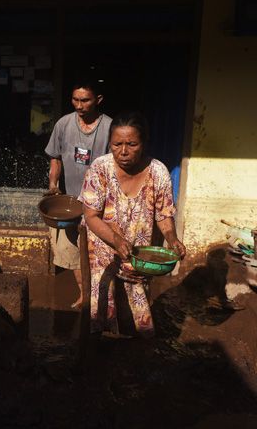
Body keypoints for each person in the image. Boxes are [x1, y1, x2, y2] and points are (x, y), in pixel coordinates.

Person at [79, 111, 186, 338]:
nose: (124, 151)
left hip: (137, 256)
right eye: (117, 144)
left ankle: (134, 351)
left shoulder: (158, 172)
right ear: (110, 143)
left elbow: (164, 214)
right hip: (103, 252)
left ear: (144, 143)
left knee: (137, 314)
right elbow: (91, 216)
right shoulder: (100, 169)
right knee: (102, 308)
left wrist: (172, 238)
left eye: (132, 144)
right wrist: (116, 240)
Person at [44, 82, 113, 309]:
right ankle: (85, 296)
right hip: (70, 202)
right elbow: (55, 157)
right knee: (71, 251)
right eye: (75, 100)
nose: (80, 105)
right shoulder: (63, 124)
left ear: (98, 100)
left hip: (101, 205)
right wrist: (54, 184)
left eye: (85, 100)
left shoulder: (110, 128)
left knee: (101, 252)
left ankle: (103, 298)